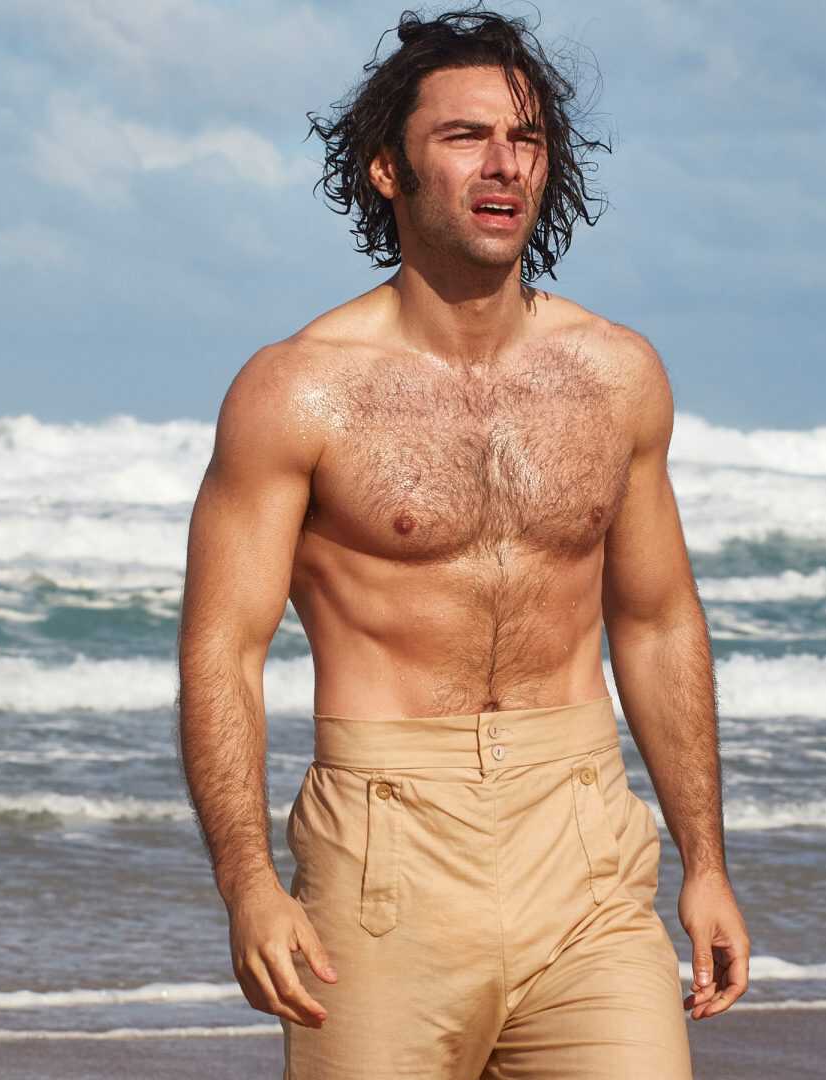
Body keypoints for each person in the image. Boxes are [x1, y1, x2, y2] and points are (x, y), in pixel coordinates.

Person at [174, 7, 749, 1077]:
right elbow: (222, 648)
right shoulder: (297, 391)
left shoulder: (618, 375)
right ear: (388, 169)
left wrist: (704, 863)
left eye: (526, 139)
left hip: (582, 839)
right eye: (465, 136)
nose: (504, 165)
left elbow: (658, 621)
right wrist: (248, 883)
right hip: (388, 848)